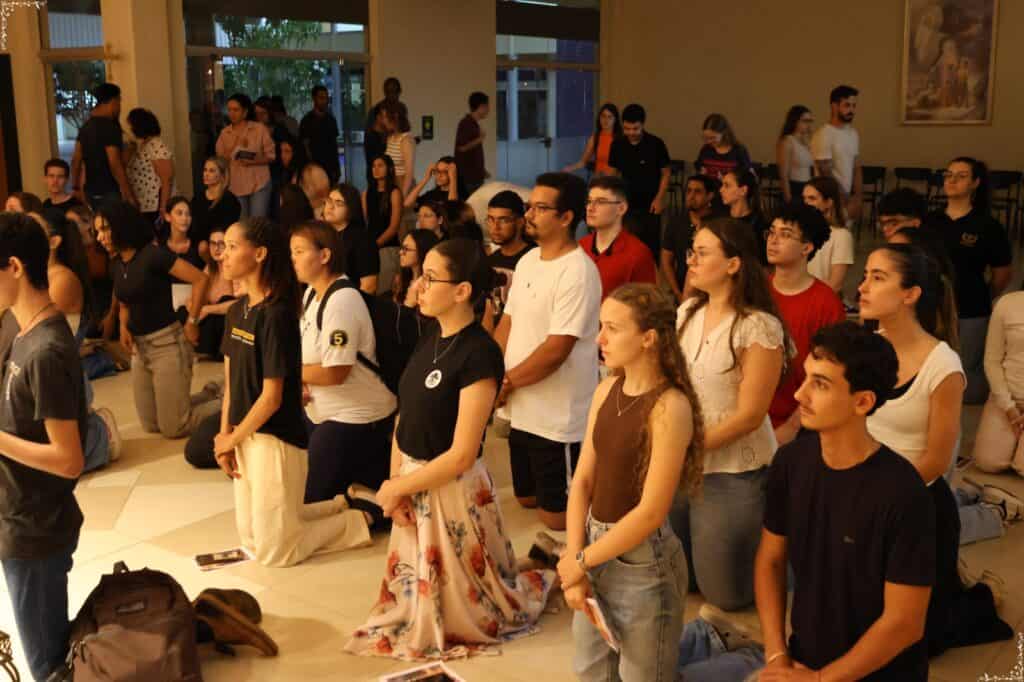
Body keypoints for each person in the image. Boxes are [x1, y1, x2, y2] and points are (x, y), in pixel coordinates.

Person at [346, 238, 553, 659]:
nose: (419, 285)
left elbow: (461, 454)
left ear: (462, 292)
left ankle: (539, 567)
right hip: (415, 478)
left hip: (452, 490)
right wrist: (396, 481)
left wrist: (401, 486)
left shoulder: (479, 354)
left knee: (471, 610)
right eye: (421, 275)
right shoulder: (430, 335)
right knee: (409, 602)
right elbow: (406, 415)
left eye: (431, 277)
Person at [860, 244, 1012, 654]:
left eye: (878, 277)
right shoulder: (863, 347)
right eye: (865, 275)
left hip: (915, 503)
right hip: (861, 493)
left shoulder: (942, 365)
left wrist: (879, 501)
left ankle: (977, 598)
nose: (862, 287)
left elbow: (936, 460)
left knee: (918, 641)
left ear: (910, 294)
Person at [562, 283, 701, 681]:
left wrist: (581, 562)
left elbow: (651, 511)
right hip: (592, 546)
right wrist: (577, 556)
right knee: (590, 670)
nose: (599, 338)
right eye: (600, 326)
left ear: (648, 339)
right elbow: (583, 480)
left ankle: (725, 649)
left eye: (612, 328)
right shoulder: (607, 389)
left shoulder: (670, 406)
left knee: (645, 674)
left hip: (642, 564)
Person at [215, 217, 370, 567]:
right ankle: (338, 504)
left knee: (276, 553)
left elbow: (272, 397)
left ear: (260, 254)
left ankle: (358, 519)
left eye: (232, 247)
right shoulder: (237, 311)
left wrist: (234, 436)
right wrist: (225, 436)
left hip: (275, 437)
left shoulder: (277, 314)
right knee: (251, 539)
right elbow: (231, 384)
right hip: (244, 434)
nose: (222, 255)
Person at [674, 217, 789, 610]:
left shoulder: (758, 326)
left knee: (727, 596)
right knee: (681, 576)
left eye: (702, 253)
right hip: (682, 459)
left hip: (733, 469)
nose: (691, 260)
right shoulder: (687, 311)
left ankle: (794, 562)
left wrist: (689, 446)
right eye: (692, 252)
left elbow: (750, 415)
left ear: (733, 264)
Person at [0, 212, 89, 682]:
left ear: (14, 266)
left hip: (36, 528)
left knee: (47, 665)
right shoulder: (17, 330)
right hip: (16, 514)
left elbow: (68, 459)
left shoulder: (47, 350)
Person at [495, 172, 602, 531]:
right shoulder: (528, 261)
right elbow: (507, 323)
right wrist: (492, 375)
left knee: (557, 520)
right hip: (522, 408)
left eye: (541, 208)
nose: (529, 214)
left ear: (566, 217)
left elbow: (557, 349)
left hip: (558, 417)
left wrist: (506, 382)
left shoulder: (578, 271)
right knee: (526, 499)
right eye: (530, 206)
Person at [291, 220, 398, 505]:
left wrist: (291, 375)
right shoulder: (312, 293)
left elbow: (335, 371)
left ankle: (372, 499)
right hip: (319, 411)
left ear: (324, 256)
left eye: (299, 251)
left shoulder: (342, 301)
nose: (293, 259)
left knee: (311, 501)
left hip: (355, 415)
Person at [95, 201, 219, 439]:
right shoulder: (117, 263)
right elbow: (124, 300)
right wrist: (123, 325)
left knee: (174, 427)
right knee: (152, 425)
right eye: (97, 231)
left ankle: (230, 404)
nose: (100, 237)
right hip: (141, 351)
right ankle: (209, 394)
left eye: (104, 229)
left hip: (168, 345)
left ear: (121, 226)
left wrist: (192, 321)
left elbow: (200, 280)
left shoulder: (153, 256)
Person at [30, 209, 121, 471]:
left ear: (54, 241)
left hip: (60, 372)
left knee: (56, 465)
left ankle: (100, 433)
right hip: (48, 369)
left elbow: (36, 333)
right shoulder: (32, 278)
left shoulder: (62, 279)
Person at [924, 157, 1012, 405]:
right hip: (933, 305)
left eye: (961, 176)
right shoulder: (931, 221)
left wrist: (984, 293)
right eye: (948, 174)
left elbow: (1002, 273)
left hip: (971, 307)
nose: (951, 180)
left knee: (964, 368)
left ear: (975, 183)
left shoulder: (987, 225)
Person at [765, 203, 845, 446]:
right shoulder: (754, 292)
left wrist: (792, 426)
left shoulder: (825, 303)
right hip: (751, 415)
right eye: (771, 232)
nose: (773, 240)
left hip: (800, 423)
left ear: (807, 248)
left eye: (785, 234)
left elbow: (829, 374)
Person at [607, 103, 670, 260]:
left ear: (643, 125)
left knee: (650, 248)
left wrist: (659, 198)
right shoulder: (618, 144)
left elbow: (666, 173)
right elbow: (613, 174)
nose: (631, 133)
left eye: (635, 129)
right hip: (626, 203)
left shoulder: (656, 144)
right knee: (626, 244)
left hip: (650, 204)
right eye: (627, 129)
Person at [579, 175, 657, 300]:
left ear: (621, 208)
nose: (590, 208)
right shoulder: (580, 247)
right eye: (589, 201)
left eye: (600, 202)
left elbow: (646, 307)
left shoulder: (638, 253)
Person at [973, 287, 1024, 478]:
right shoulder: (1007, 303)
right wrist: (1009, 407)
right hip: (1005, 397)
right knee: (988, 462)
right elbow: (991, 360)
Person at [72, 82, 136, 209]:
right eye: (119, 102)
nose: (119, 107)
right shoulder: (110, 127)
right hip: (110, 191)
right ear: (113, 102)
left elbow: (76, 159)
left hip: (90, 191)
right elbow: (114, 163)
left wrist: (76, 187)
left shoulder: (86, 127)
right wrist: (128, 193)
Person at [216, 93, 275, 218]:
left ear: (245, 111)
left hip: (259, 182)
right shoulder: (225, 133)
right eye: (229, 110)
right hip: (236, 184)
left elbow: (271, 156)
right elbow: (219, 160)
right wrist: (234, 146)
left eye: (236, 110)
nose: (232, 113)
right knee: (242, 224)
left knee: (257, 223)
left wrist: (254, 160)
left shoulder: (259, 129)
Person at [661, 174, 718, 303]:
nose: (691, 196)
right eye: (688, 191)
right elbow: (666, 259)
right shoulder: (676, 222)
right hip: (681, 291)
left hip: (711, 294)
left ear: (710, 196)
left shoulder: (718, 224)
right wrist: (677, 293)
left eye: (697, 192)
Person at [811, 84, 863, 223]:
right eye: (847, 105)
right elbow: (825, 172)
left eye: (853, 106)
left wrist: (857, 198)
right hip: (829, 201)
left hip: (847, 201)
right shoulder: (824, 134)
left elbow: (856, 167)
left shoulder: (853, 133)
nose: (851, 110)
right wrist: (845, 200)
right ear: (834, 106)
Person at [485, 190, 533, 327]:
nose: (495, 227)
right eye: (490, 219)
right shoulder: (489, 261)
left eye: (503, 220)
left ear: (520, 222)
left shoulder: (533, 259)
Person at [803, 176, 855, 292]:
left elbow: (835, 284)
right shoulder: (802, 231)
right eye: (804, 199)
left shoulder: (841, 236)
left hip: (823, 300)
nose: (806, 203)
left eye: (812, 198)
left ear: (828, 203)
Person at [324, 184, 379, 294]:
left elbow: (369, 285)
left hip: (351, 302)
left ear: (351, 209)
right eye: (329, 201)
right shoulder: (322, 235)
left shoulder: (362, 239)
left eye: (338, 203)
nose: (330, 207)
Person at [193, 226, 239, 359]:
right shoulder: (209, 267)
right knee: (184, 310)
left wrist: (208, 309)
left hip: (228, 323)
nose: (216, 248)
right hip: (210, 321)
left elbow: (241, 303)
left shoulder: (233, 266)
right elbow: (196, 295)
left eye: (221, 244)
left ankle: (205, 351)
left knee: (224, 301)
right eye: (213, 243)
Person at [125, 108, 175, 224]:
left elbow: (166, 180)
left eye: (131, 125)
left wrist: (163, 208)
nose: (130, 129)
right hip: (144, 204)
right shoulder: (143, 145)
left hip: (154, 205)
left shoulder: (156, 145)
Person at [362, 155, 403, 295]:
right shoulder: (367, 193)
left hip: (388, 246)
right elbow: (365, 222)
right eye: (373, 166)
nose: (376, 169)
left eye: (380, 165)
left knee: (384, 290)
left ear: (389, 169)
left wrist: (375, 245)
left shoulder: (395, 192)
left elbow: (394, 227)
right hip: (370, 246)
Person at [190, 156, 242, 257]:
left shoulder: (230, 200)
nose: (206, 174)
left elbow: (228, 231)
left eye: (212, 171)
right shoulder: (198, 198)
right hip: (199, 242)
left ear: (222, 176)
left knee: (203, 246)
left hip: (219, 243)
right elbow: (193, 225)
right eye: (205, 170)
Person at [720, 168, 767, 266]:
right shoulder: (720, 219)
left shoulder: (759, 224)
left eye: (727, 186)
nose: (721, 190)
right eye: (722, 185)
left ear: (743, 190)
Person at [563, 102, 622, 176]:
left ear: (615, 120)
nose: (606, 120)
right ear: (599, 118)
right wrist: (569, 169)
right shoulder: (595, 138)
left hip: (614, 182)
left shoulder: (620, 139)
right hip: (598, 180)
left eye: (610, 117)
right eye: (603, 116)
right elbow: (582, 162)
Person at [299, 85, 342, 186]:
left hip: (330, 166)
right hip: (314, 166)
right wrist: (311, 166)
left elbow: (334, 145)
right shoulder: (307, 121)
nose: (325, 101)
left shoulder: (331, 120)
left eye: (326, 98)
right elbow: (305, 146)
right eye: (321, 98)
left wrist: (337, 167)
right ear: (314, 99)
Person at [775, 105, 815, 203]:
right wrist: (789, 199)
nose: (808, 124)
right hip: (794, 188)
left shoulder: (808, 142)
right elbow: (784, 175)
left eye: (810, 121)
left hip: (807, 187)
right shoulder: (787, 141)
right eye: (805, 121)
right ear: (795, 121)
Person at [694, 113, 751, 181]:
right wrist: (701, 172)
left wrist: (726, 180)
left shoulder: (739, 150)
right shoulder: (706, 149)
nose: (708, 141)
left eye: (713, 138)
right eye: (706, 138)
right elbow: (699, 165)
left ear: (724, 133)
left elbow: (745, 175)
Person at [454, 91, 490, 195]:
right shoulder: (466, 123)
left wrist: (482, 170)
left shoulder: (473, 124)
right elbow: (462, 148)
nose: (488, 110)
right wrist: (480, 139)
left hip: (474, 177)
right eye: (487, 107)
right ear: (481, 106)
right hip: (469, 179)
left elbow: (472, 152)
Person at [393, 229, 440, 308]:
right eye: (402, 248)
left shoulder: (430, 285)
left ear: (422, 251)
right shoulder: (401, 280)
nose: (400, 252)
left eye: (406, 249)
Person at [381, 100, 416, 198]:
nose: (383, 121)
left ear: (395, 116)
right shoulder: (390, 137)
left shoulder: (406, 140)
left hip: (402, 185)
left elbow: (409, 173)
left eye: (385, 117)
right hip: (391, 184)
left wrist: (403, 196)